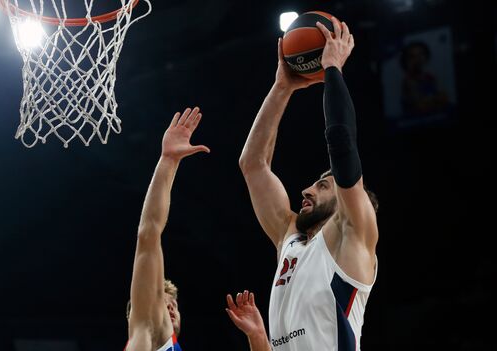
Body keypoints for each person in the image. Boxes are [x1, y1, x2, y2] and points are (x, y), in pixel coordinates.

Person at [238, 17, 379, 350]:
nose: (307, 189)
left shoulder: (353, 235)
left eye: (323, 185)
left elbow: (342, 143)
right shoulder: (290, 238)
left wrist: (332, 69)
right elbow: (253, 165)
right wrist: (282, 87)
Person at [125, 107, 210, 351]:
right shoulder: (146, 333)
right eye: (163, 303)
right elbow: (148, 233)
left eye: (174, 304)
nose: (171, 308)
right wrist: (168, 161)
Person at [400, 41, 450, 118]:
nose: (418, 59)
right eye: (413, 56)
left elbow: (443, 98)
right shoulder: (408, 81)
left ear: (426, 56)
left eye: (421, 54)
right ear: (407, 60)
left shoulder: (430, 77)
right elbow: (419, 105)